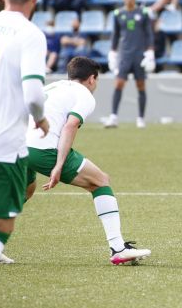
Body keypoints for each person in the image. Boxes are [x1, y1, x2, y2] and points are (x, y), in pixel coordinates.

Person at [20, 57, 151, 265]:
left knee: (24, 190)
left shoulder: (54, 86)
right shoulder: (85, 95)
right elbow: (70, 126)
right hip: (43, 149)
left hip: (17, 145)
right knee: (100, 181)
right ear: (91, 78)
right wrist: (58, 165)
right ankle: (118, 248)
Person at [0, 0, 49, 267]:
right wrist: (40, 118)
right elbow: (34, 95)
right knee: (2, 223)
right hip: (3, 142)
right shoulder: (31, 34)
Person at [105, 0, 155, 129]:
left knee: (141, 85)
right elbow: (115, 35)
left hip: (139, 54)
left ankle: (141, 118)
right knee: (119, 83)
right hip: (124, 54)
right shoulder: (118, 14)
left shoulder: (143, 13)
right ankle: (113, 117)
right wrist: (112, 52)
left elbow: (149, 33)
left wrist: (150, 51)